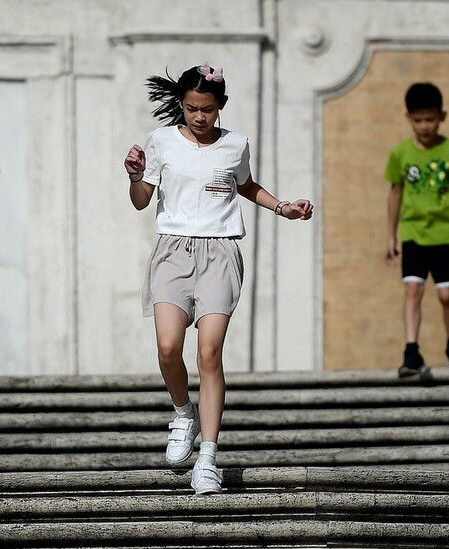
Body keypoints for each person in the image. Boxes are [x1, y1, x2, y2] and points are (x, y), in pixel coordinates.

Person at [123, 62, 313, 495]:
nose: (198, 117)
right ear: (181, 105)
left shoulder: (235, 145)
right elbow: (140, 201)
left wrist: (282, 207)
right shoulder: (161, 142)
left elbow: (245, 185)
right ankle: (182, 412)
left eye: (207, 109)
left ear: (221, 106)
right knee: (169, 346)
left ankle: (207, 456)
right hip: (172, 250)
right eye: (191, 108)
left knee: (209, 354)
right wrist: (135, 175)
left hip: (221, 251)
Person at [384, 82, 449, 378]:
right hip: (414, 234)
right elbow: (394, 194)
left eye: (430, 119)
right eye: (418, 120)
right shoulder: (401, 153)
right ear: (409, 119)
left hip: (448, 235)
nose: (424, 126)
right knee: (412, 290)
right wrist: (391, 235)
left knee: (446, 295)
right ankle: (411, 350)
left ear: (442, 117)